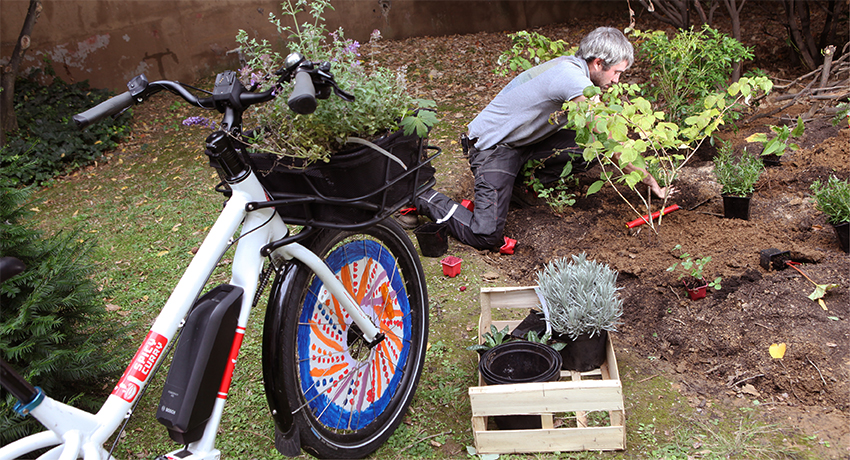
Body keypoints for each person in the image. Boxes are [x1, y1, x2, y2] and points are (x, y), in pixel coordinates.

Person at [404, 26, 674, 250]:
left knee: (590, 149)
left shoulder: (574, 69)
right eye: (617, 72)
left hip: (523, 143)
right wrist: (649, 181)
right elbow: (609, 139)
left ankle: (519, 188)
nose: (618, 80)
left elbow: (600, 140)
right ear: (598, 63)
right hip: (492, 147)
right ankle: (422, 197)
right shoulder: (573, 79)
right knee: (486, 235)